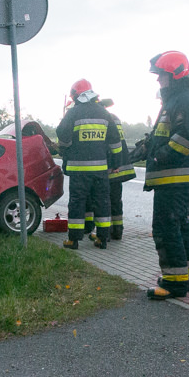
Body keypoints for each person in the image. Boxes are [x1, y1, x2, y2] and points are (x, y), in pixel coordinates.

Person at [143, 51, 189, 300]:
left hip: (173, 179)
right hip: (171, 180)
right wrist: (148, 147)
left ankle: (174, 282)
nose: (158, 81)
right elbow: (166, 135)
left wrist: (158, 156)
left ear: (175, 74)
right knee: (179, 227)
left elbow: (186, 140)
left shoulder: (184, 101)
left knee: (167, 229)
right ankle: (183, 277)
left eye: (162, 76)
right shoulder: (176, 101)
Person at [56, 79, 122, 250]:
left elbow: (62, 135)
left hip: (79, 170)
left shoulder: (73, 112)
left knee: (77, 203)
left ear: (76, 95)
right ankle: (102, 239)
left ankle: (74, 239)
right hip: (101, 170)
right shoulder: (104, 113)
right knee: (102, 203)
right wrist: (116, 162)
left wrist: (65, 148)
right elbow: (115, 141)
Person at [97, 99, 135, 240]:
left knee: (104, 201)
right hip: (120, 166)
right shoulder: (115, 118)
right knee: (116, 201)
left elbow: (107, 144)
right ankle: (118, 231)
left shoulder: (102, 119)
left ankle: (105, 233)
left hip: (109, 167)